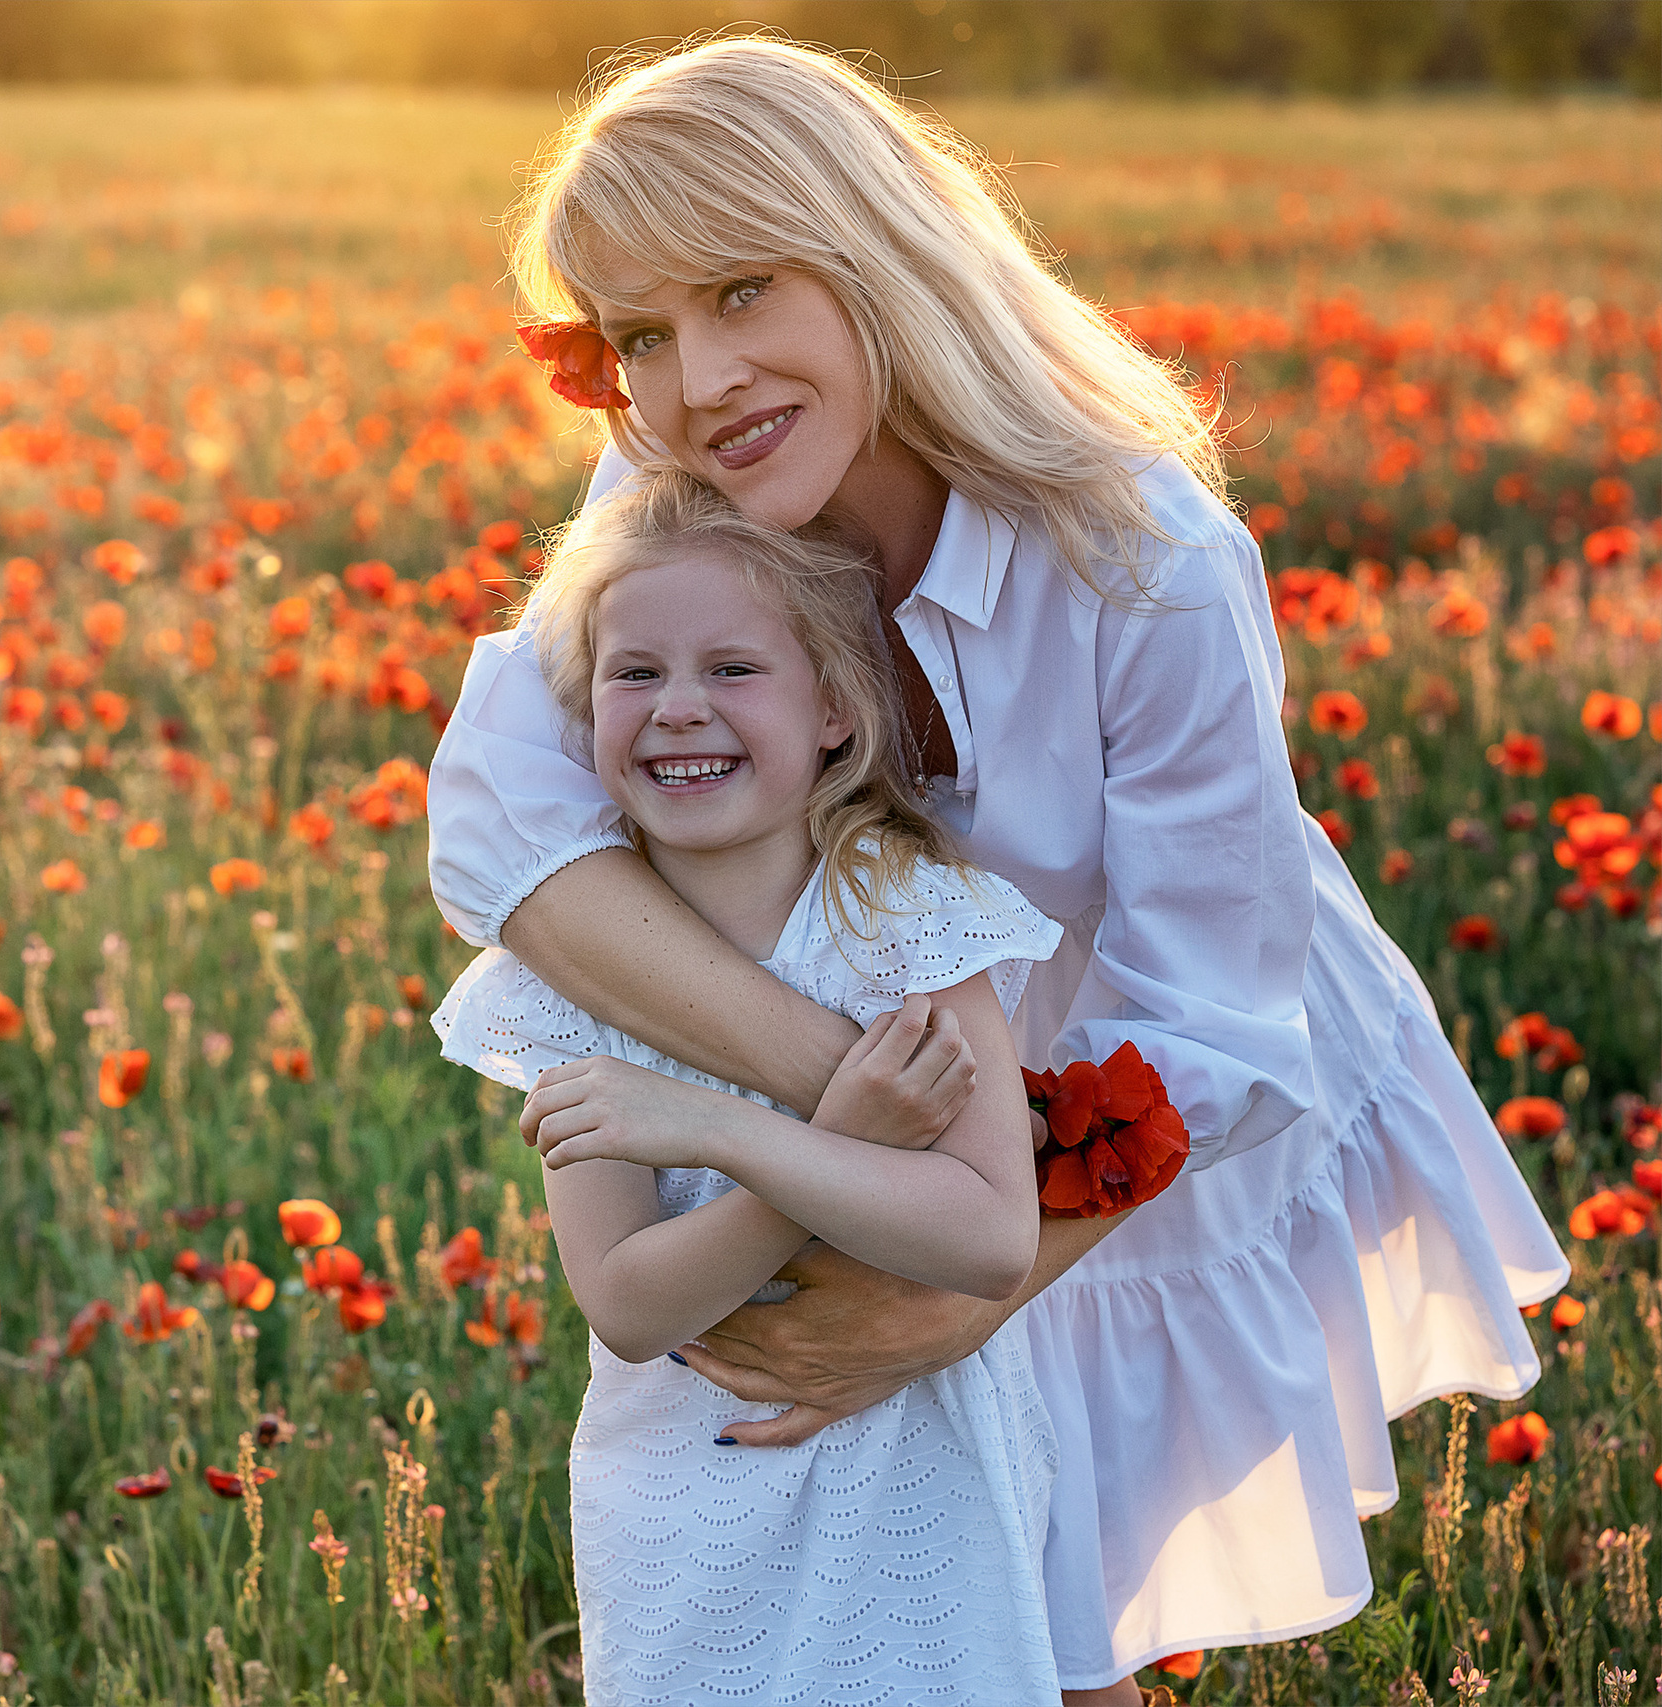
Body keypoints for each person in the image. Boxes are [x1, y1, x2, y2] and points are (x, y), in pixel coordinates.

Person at [426, 36, 1568, 1703]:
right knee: (902, 1605)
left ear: (875, 249)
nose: (699, 379)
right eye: (641, 336)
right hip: (897, 1102)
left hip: (1134, 1097)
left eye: (742, 289)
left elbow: (1212, 1019)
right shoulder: (685, 488)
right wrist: (854, 1112)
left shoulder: (1145, 554)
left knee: (1061, 1619)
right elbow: (500, 817)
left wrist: (964, 1279)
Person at [437, 467, 1069, 1705]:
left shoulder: (909, 925)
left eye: (732, 670)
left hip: (914, 1488)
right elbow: (628, 1304)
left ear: (833, 708)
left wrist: (721, 1129)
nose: (678, 709)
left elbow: (991, 1236)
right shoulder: (576, 972)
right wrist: (833, 1144)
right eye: (634, 674)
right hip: (690, 1501)